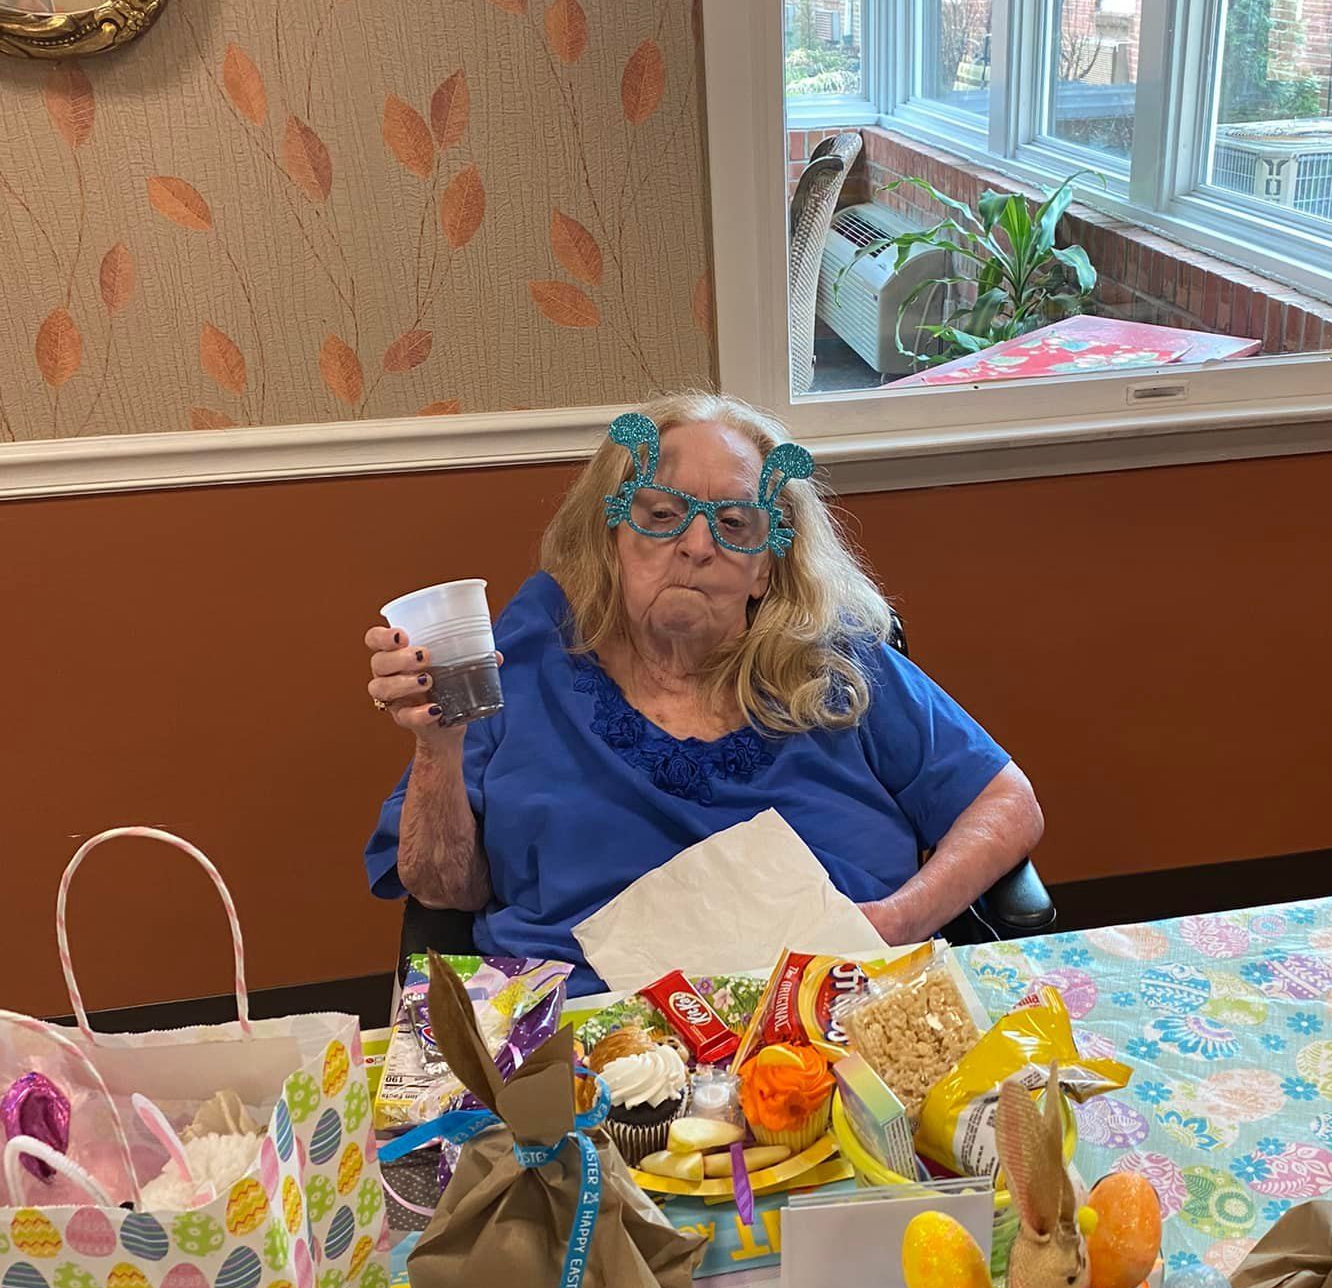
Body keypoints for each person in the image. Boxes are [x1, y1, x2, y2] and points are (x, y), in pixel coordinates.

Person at [364, 393, 1042, 993]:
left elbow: (1007, 802)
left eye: (736, 525)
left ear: (765, 568)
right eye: (661, 513)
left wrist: (898, 920)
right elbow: (446, 887)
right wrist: (438, 747)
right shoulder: (527, 655)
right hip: (588, 1033)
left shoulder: (832, 661)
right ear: (614, 537)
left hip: (826, 1015)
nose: (695, 545)